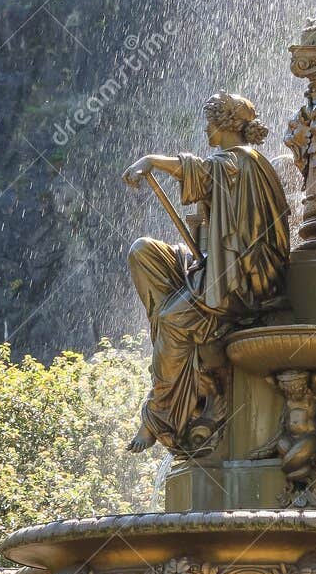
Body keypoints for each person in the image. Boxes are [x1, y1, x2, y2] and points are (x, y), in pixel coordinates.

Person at [124, 93, 290, 456]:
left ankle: (160, 416)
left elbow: (200, 170)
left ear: (226, 124)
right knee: (144, 252)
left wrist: (152, 160)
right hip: (216, 267)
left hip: (243, 281)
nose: (205, 129)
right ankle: (180, 347)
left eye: (210, 122)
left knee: (172, 319)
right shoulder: (231, 164)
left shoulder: (244, 162)